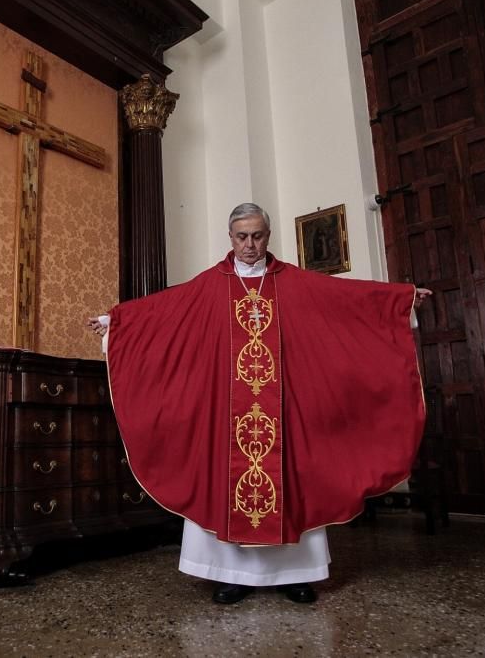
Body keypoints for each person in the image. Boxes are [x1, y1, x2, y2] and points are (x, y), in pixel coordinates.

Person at [88, 203, 430, 605]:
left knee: (295, 476)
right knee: (223, 479)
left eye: (257, 236)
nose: (250, 245)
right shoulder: (210, 284)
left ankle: (296, 573)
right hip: (228, 412)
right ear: (230, 237)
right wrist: (118, 322)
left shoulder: (294, 281)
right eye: (241, 237)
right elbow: (166, 310)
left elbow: (347, 300)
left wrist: (399, 301)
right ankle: (231, 574)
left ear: (268, 235)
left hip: (283, 409)